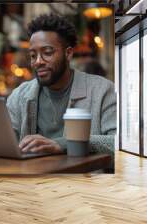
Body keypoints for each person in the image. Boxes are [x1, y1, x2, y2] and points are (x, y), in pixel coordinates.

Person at [6, 14, 116, 158]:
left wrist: (63, 144)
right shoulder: (20, 94)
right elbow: (5, 140)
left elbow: (120, 143)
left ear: (68, 53)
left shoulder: (102, 90)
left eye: (47, 52)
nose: (38, 61)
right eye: (33, 55)